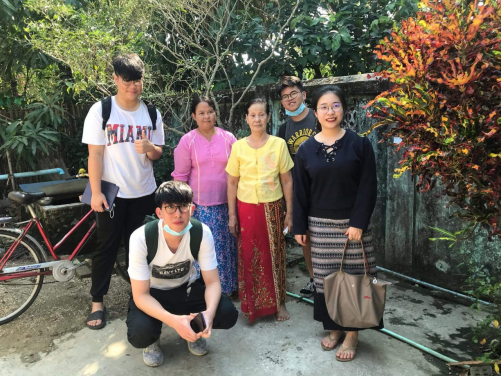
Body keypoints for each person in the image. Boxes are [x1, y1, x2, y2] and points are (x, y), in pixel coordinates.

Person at [293, 85, 381, 362]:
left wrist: (358, 223)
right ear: (315, 112)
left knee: (355, 280)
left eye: (335, 106)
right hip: (319, 227)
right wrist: (299, 227)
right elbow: (300, 192)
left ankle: (352, 333)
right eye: (324, 107)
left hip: (353, 228)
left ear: (343, 109)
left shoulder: (359, 144)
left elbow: (368, 187)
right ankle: (333, 328)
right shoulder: (306, 149)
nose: (330, 112)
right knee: (325, 281)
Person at [82, 53, 164, 330]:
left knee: (138, 250)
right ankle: (97, 302)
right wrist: (95, 193)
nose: (133, 86)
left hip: (144, 193)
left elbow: (159, 153)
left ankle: (138, 297)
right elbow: (94, 155)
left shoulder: (152, 113)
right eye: (127, 80)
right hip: (112, 195)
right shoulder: (101, 110)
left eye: (138, 80)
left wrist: (151, 149)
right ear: (116, 79)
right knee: (105, 248)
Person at [126, 181, 238, 367]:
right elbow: (140, 295)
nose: (178, 214)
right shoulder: (141, 238)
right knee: (140, 334)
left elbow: (212, 282)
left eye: (183, 207)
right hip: (153, 294)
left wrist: (208, 315)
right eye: (170, 207)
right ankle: (153, 340)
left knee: (226, 313)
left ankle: (193, 330)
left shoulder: (202, 233)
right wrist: (173, 321)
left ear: (192, 209)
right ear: (159, 213)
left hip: (186, 290)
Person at [226, 98, 294, 323]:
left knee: (274, 255)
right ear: (246, 118)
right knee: (248, 257)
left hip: (272, 208)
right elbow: (232, 183)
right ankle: (251, 306)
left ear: (268, 117)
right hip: (245, 209)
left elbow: (286, 181)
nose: (257, 119)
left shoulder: (278, 144)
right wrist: (232, 215)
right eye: (253, 115)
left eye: (261, 114)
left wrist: (289, 212)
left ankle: (279, 302)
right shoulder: (238, 147)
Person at [172, 95, 238, 296]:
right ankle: (208, 290)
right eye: (201, 113)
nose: (206, 116)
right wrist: (183, 209)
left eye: (210, 112)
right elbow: (180, 177)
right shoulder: (187, 141)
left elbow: (238, 172)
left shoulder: (229, 138)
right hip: (200, 207)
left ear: (215, 113)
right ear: (193, 116)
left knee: (229, 247)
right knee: (208, 250)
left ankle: (230, 287)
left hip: (229, 204)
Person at [276, 76, 317, 298]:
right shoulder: (283, 129)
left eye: (293, 93)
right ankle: (314, 280)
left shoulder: (318, 118)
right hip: (300, 191)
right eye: (285, 96)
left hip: (324, 189)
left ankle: (332, 280)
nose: (290, 98)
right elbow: (283, 167)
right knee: (305, 237)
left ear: (303, 94)